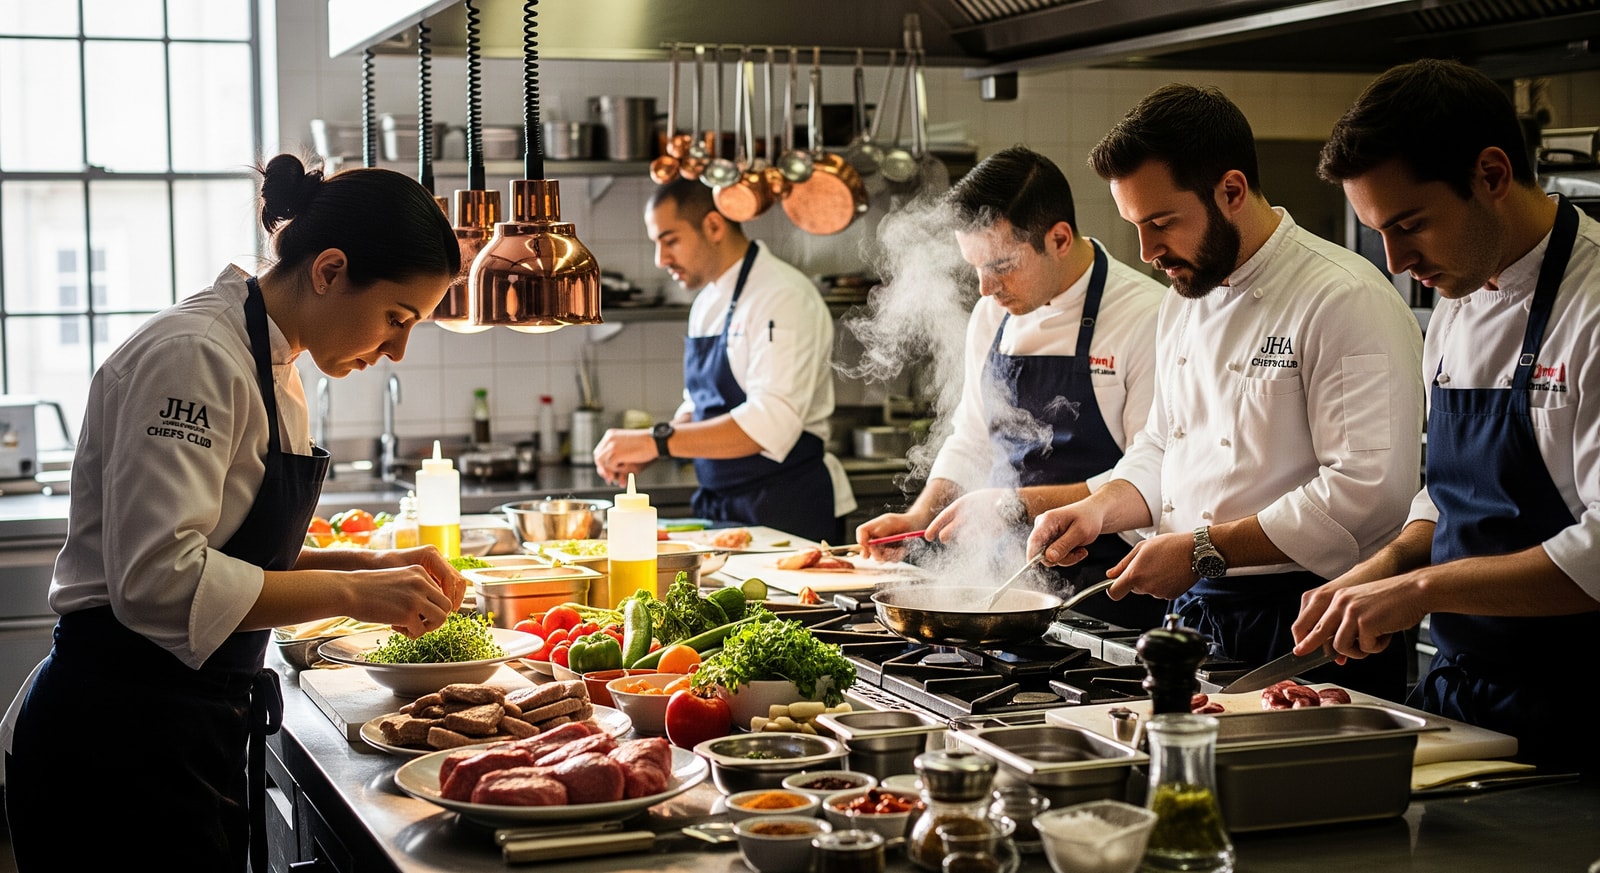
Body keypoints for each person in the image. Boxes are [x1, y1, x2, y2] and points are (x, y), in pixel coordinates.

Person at [2, 155, 468, 871]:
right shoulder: (193, 357)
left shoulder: (273, 364)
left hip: (188, 727)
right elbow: (160, 581)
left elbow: (232, 554)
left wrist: (371, 564)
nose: (397, 349)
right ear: (330, 270)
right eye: (395, 318)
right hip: (115, 741)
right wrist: (354, 594)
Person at [1026, 84, 1426, 701]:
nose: (1148, 252)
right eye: (1136, 227)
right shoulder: (1186, 297)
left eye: (1161, 223)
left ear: (1232, 192)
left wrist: (1202, 551)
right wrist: (1099, 510)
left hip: (1310, 621)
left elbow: (1367, 493)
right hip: (1199, 612)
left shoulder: (1344, 297)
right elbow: (1163, 445)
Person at [1294, 59, 1600, 772]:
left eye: (1410, 225)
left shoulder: (1591, 307)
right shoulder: (1458, 300)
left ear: (1491, 174)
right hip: (1468, 703)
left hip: (1581, 713)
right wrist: (1385, 566)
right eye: (1379, 233)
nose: (1397, 261)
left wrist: (1420, 590)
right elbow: (1451, 492)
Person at [855, 146, 1167, 629]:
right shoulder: (992, 315)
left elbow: (1152, 470)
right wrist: (918, 517)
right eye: (975, 267)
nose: (985, 288)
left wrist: (1012, 505)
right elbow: (972, 438)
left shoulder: (1146, 315)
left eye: (1000, 265)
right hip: (1004, 580)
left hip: (1110, 586)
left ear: (1059, 239)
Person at [592, 179, 855, 543]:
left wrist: (657, 441)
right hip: (721, 506)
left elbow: (770, 424)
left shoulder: (783, 295)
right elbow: (698, 406)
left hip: (786, 508)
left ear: (714, 226)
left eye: (670, 241)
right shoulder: (707, 302)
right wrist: (650, 448)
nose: (661, 259)